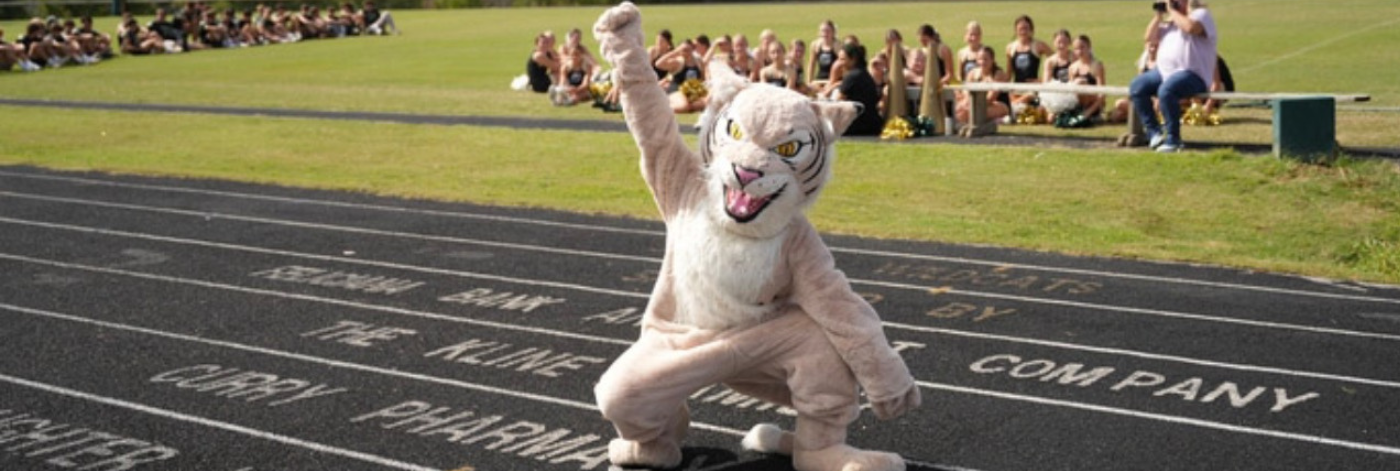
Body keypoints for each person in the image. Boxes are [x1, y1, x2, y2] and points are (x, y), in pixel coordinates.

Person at [1129, 0, 1217, 152]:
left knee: (1166, 90)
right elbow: (1149, 38)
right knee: (1137, 86)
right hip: (1164, 72)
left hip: (1193, 74)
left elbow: (1191, 28)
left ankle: (1173, 139)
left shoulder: (1201, 15)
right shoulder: (1171, 21)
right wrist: (1158, 16)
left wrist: (1172, 11)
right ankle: (1154, 133)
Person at [1005, 15, 1053, 114]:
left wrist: (1042, 80)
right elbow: (1008, 74)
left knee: (1028, 97)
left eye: (1026, 28)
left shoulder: (1039, 45)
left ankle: (1013, 107)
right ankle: (1014, 106)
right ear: (1016, 30)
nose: (1023, 32)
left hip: (1032, 89)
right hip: (1017, 87)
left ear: (1031, 29)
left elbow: (1056, 60)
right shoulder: (1010, 48)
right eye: (1020, 29)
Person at [834, 43, 882, 136]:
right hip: (871, 124)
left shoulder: (851, 77)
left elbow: (837, 102)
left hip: (856, 125)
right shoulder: (864, 74)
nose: (839, 63)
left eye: (843, 59)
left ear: (853, 59)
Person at [955, 46, 1011, 125]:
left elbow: (990, 98)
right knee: (959, 108)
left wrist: (970, 106)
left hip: (998, 104)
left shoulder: (998, 74)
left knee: (969, 113)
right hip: (976, 103)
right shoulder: (972, 73)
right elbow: (966, 92)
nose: (982, 62)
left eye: (985, 59)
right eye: (980, 59)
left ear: (992, 60)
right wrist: (965, 103)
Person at [655, 39, 705, 113]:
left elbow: (702, 78)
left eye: (689, 50)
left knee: (705, 104)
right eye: (684, 50)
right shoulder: (678, 62)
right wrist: (675, 52)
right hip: (677, 90)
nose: (686, 52)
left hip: (692, 92)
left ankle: (687, 106)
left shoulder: (698, 61)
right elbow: (658, 64)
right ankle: (660, 107)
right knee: (684, 106)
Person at [1067, 34, 1106, 120]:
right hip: (1078, 105)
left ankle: (1092, 114)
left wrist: (1089, 112)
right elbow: (1071, 93)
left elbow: (1102, 94)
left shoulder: (1097, 66)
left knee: (1080, 82)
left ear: (1089, 47)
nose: (1080, 51)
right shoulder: (1072, 68)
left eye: (1082, 47)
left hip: (1093, 105)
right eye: (1076, 49)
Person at [807, 20, 838, 89]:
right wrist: (809, 81)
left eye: (828, 31)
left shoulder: (837, 46)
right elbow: (811, 64)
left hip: (833, 80)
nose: (825, 34)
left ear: (833, 33)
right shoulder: (815, 45)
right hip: (820, 79)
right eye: (823, 31)